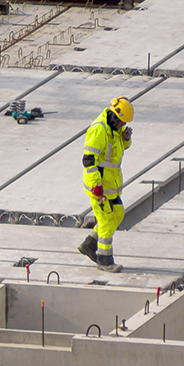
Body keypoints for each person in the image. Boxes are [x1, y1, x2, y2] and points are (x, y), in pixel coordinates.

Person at [77, 96, 134, 273]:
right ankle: (104, 260)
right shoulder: (99, 129)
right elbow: (88, 160)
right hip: (98, 187)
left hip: (110, 185)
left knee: (117, 214)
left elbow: (118, 149)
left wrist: (126, 139)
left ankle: (89, 244)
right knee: (107, 221)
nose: (122, 126)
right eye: (121, 123)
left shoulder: (116, 129)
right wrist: (96, 185)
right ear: (114, 117)